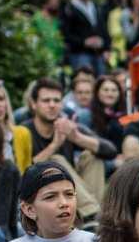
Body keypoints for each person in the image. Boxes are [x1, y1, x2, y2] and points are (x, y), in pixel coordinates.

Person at [24, 79, 115, 223]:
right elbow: (23, 171)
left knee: (92, 156)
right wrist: (54, 145)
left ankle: (93, 216)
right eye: (46, 101)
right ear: (34, 104)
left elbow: (110, 151)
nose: (52, 105)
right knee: (55, 160)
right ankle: (93, 214)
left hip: (71, 192)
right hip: (42, 196)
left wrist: (77, 137)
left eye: (56, 100)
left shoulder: (66, 126)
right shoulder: (24, 131)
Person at [61, 0, 111, 75]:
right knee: (84, 80)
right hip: (79, 53)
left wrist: (107, 48)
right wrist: (83, 42)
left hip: (99, 53)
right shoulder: (69, 8)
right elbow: (65, 33)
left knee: (101, 81)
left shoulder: (96, 6)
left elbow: (103, 28)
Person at [89, 75, 126, 151]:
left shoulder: (125, 113)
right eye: (106, 90)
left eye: (114, 90)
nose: (110, 94)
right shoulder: (88, 115)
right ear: (97, 92)